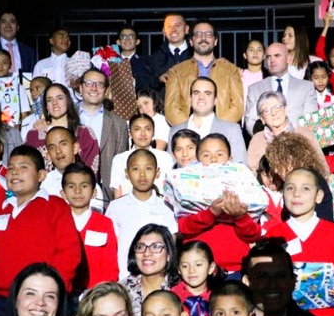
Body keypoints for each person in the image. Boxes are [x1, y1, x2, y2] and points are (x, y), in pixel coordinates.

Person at [0, 145, 80, 316]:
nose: (15, 173)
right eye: (11, 169)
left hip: (39, 301)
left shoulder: (55, 207)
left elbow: (69, 254)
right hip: (0, 300)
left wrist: (52, 294)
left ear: (41, 175)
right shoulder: (2, 211)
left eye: (23, 167)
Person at [262, 168, 334, 316]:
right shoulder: (274, 234)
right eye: (290, 188)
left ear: (318, 196)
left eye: (305, 188)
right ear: (282, 194)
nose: (296, 194)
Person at [177, 135, 262, 276]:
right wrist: (211, 213)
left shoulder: (243, 188)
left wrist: (240, 217)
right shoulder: (188, 190)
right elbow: (183, 228)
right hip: (198, 272)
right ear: (197, 161)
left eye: (220, 154)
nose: (213, 159)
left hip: (236, 268)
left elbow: (253, 235)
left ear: (230, 159)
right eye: (206, 155)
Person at [106, 149, 178, 279]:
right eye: (135, 169)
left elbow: (171, 247)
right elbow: (111, 248)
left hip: (159, 280)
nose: (142, 175)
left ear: (157, 173)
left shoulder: (166, 207)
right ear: (127, 173)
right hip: (126, 278)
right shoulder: (116, 207)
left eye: (148, 169)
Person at [163, 20, 244, 127]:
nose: (203, 38)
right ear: (191, 41)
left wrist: (217, 128)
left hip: (221, 135)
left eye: (208, 34)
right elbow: (171, 109)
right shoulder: (176, 71)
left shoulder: (231, 70)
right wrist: (192, 129)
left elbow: (237, 106)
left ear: (215, 41)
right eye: (198, 34)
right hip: (187, 137)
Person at [63, 163, 119, 294]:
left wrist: (101, 294)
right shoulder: (58, 223)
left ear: (94, 192)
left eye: (84, 186)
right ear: (63, 193)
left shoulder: (105, 223)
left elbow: (111, 266)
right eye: (71, 186)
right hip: (65, 293)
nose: (78, 191)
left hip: (96, 294)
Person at [23, 83, 99, 176]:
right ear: (46, 106)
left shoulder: (84, 133)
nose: (55, 103)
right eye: (49, 100)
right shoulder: (34, 135)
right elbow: (26, 167)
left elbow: (92, 171)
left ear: (68, 101)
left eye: (59, 98)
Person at [243, 42, 318, 136]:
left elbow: (310, 121)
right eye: (269, 57)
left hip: (298, 144)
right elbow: (251, 122)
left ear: (288, 59)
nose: (272, 60)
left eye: (277, 56)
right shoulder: (255, 89)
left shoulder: (306, 87)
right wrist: (267, 137)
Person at [246, 91, 328, 176]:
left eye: (277, 107)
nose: (273, 113)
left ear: (285, 110)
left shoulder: (305, 133)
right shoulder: (257, 139)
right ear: (262, 118)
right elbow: (251, 173)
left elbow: (322, 167)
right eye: (267, 111)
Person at [168, 77, 247, 164]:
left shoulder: (232, 130)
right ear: (190, 98)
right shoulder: (174, 131)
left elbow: (241, 167)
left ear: (215, 100)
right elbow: (170, 167)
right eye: (196, 93)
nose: (201, 97)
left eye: (207, 93)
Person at [77, 67, 130, 191]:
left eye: (100, 84)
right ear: (80, 88)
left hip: (104, 191)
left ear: (106, 91)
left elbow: (120, 163)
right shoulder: (67, 117)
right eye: (89, 83)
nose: (94, 88)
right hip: (72, 188)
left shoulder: (119, 124)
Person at [120, 224, 180, 316]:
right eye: (140, 247)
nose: (147, 253)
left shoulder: (181, 289)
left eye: (156, 247)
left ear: (169, 254)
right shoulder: (122, 291)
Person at [110, 113, 175, 196]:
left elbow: (170, 192)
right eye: (137, 129)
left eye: (148, 129)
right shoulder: (120, 159)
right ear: (130, 133)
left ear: (153, 132)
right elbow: (117, 194)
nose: (143, 134)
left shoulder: (165, 158)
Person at [171, 240, 220, 316]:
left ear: (211, 268)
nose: (191, 271)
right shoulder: (171, 297)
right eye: (185, 266)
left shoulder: (219, 297)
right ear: (179, 269)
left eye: (198, 265)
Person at [148, 13, 192, 88]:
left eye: (177, 25)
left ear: (187, 29)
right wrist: (159, 80)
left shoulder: (196, 54)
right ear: (164, 31)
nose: (173, 30)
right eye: (169, 26)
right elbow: (148, 86)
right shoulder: (155, 58)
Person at [240, 38, 266, 106]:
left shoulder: (269, 77)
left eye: (259, 50)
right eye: (251, 50)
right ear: (245, 55)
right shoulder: (238, 76)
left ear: (264, 56)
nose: (255, 53)